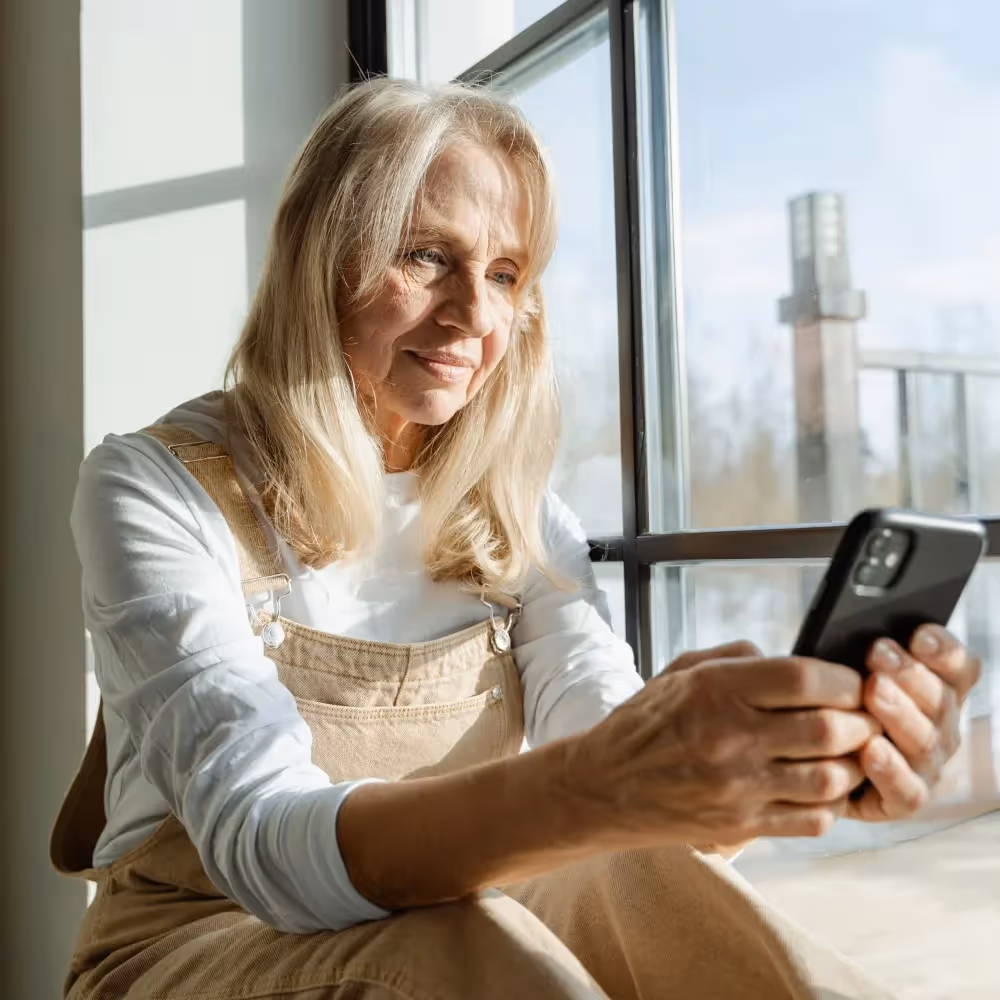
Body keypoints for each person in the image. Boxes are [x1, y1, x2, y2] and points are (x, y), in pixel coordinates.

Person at [53, 80, 981, 1000]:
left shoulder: (522, 516)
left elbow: (607, 745)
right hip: (195, 939)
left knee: (647, 879)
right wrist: (611, 778)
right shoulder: (153, 486)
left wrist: (794, 757)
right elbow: (263, 848)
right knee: (465, 941)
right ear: (319, 259)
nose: (474, 316)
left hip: (456, 911)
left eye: (503, 274)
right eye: (425, 256)